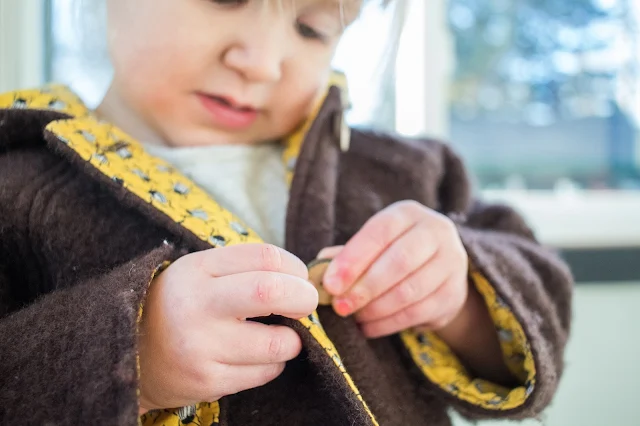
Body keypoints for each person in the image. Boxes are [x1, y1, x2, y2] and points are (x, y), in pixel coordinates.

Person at [0, 0, 573, 425]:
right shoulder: (16, 184)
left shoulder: (403, 172)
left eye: (311, 28)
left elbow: (542, 295)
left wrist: (460, 298)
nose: (262, 64)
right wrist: (130, 353)